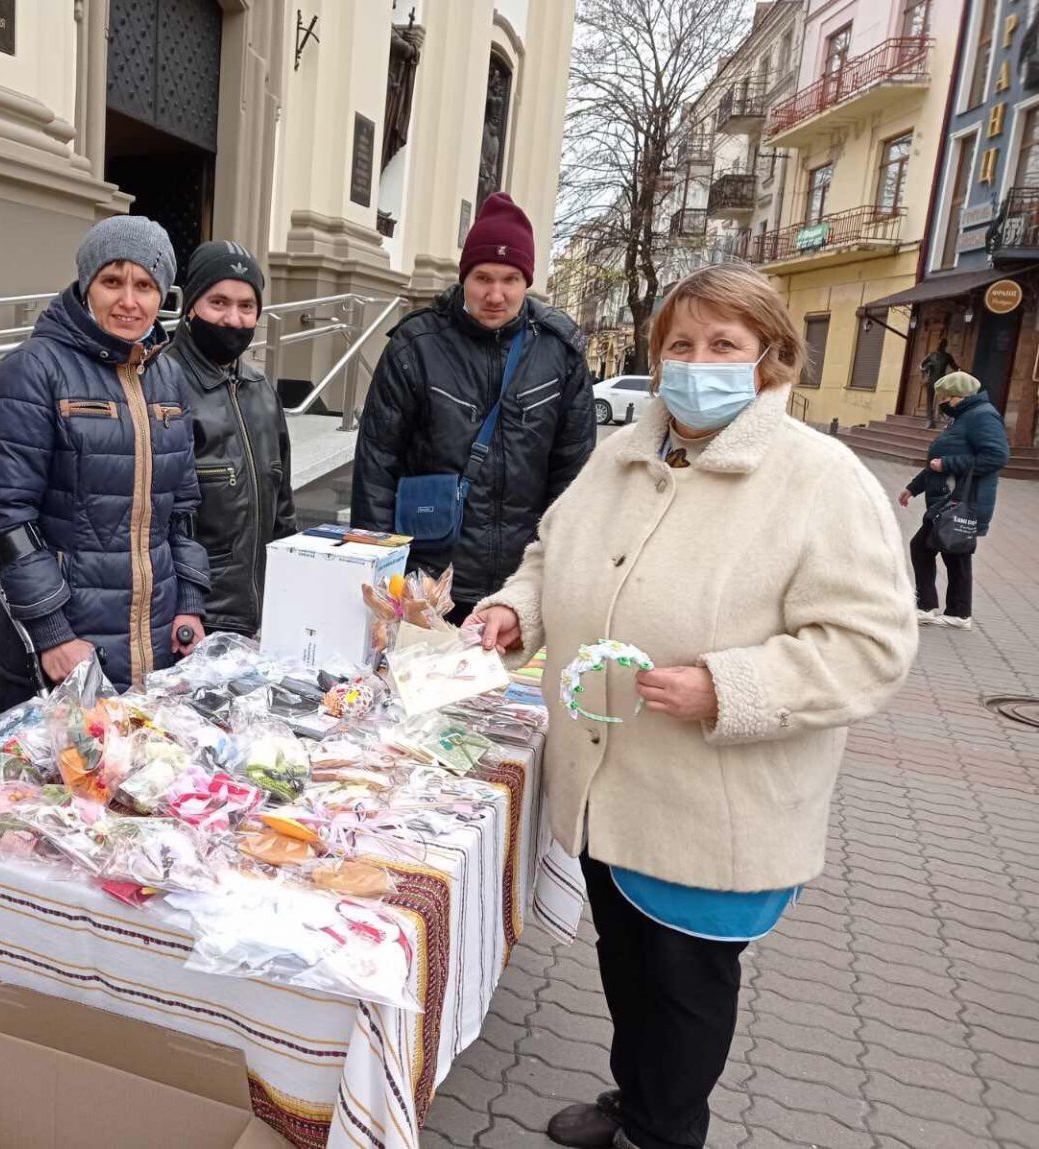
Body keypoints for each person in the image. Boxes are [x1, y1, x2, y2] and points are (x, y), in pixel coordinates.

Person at [469, 263, 917, 1149]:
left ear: (770, 360)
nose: (696, 362)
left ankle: (665, 1132)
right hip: (609, 789)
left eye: (724, 345)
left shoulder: (820, 478)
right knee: (627, 966)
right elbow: (550, 553)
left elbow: (871, 647)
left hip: (714, 810)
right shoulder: (622, 453)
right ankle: (635, 1103)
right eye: (681, 344)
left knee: (684, 991)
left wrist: (728, 684)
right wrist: (513, 609)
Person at [0, 216, 210, 703]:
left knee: (141, 773)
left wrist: (188, 602)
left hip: (155, 638)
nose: (129, 300)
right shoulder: (33, 371)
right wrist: (53, 633)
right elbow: (6, 520)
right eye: (112, 281)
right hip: (66, 652)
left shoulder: (167, 378)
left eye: (145, 285)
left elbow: (181, 509)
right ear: (87, 285)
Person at [351, 192, 595, 619]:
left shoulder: (560, 353)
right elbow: (377, 463)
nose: (495, 294)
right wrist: (379, 570)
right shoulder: (417, 345)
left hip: (516, 586)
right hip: (426, 580)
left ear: (527, 282)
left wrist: (553, 572)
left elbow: (574, 474)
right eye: (483, 277)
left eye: (510, 279)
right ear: (464, 277)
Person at [164, 240, 296, 635]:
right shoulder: (162, 384)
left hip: (259, 614)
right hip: (191, 620)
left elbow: (283, 507)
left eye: (246, 306)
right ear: (191, 307)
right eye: (218, 303)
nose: (234, 320)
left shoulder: (261, 389)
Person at [900, 370, 1009, 631]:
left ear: (959, 396)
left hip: (962, 499)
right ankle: (953, 612)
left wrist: (949, 464)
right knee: (951, 552)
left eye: (945, 398)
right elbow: (938, 460)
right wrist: (914, 488)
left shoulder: (982, 417)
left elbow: (997, 457)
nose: (941, 403)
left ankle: (934, 608)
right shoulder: (963, 417)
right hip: (949, 498)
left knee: (929, 547)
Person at [919, 337, 958, 428]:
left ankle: (946, 419)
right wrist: (925, 368)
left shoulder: (947, 357)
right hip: (931, 380)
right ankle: (929, 421)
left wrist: (962, 371)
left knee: (944, 400)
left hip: (942, 381)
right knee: (929, 401)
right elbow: (921, 365)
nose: (938, 345)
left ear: (944, 345)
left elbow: (955, 367)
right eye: (938, 343)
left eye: (940, 344)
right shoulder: (931, 355)